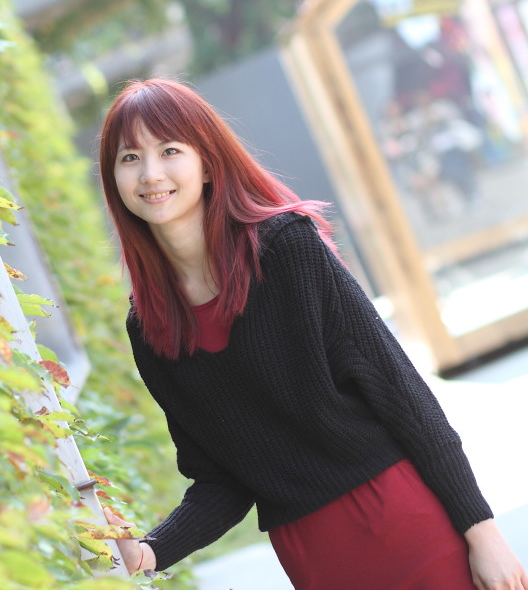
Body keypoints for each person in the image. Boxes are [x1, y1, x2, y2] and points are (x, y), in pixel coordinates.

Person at [96, 79, 526, 589]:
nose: (150, 173)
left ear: (207, 162)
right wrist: (151, 550)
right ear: (113, 179)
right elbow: (221, 479)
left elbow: (400, 392)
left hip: (403, 521)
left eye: (170, 150)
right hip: (314, 558)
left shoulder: (287, 250)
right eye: (130, 157)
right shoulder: (150, 327)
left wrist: (482, 530)